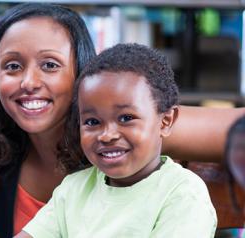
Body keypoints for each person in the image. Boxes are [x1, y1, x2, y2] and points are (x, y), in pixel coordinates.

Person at [0, 3, 245, 238]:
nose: (28, 82)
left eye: (50, 65)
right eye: (12, 66)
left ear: (82, 74)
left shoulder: (130, 127)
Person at [16, 43, 217, 238]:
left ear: (165, 121)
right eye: (92, 121)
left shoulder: (183, 193)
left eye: (126, 118)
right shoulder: (74, 188)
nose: (107, 135)